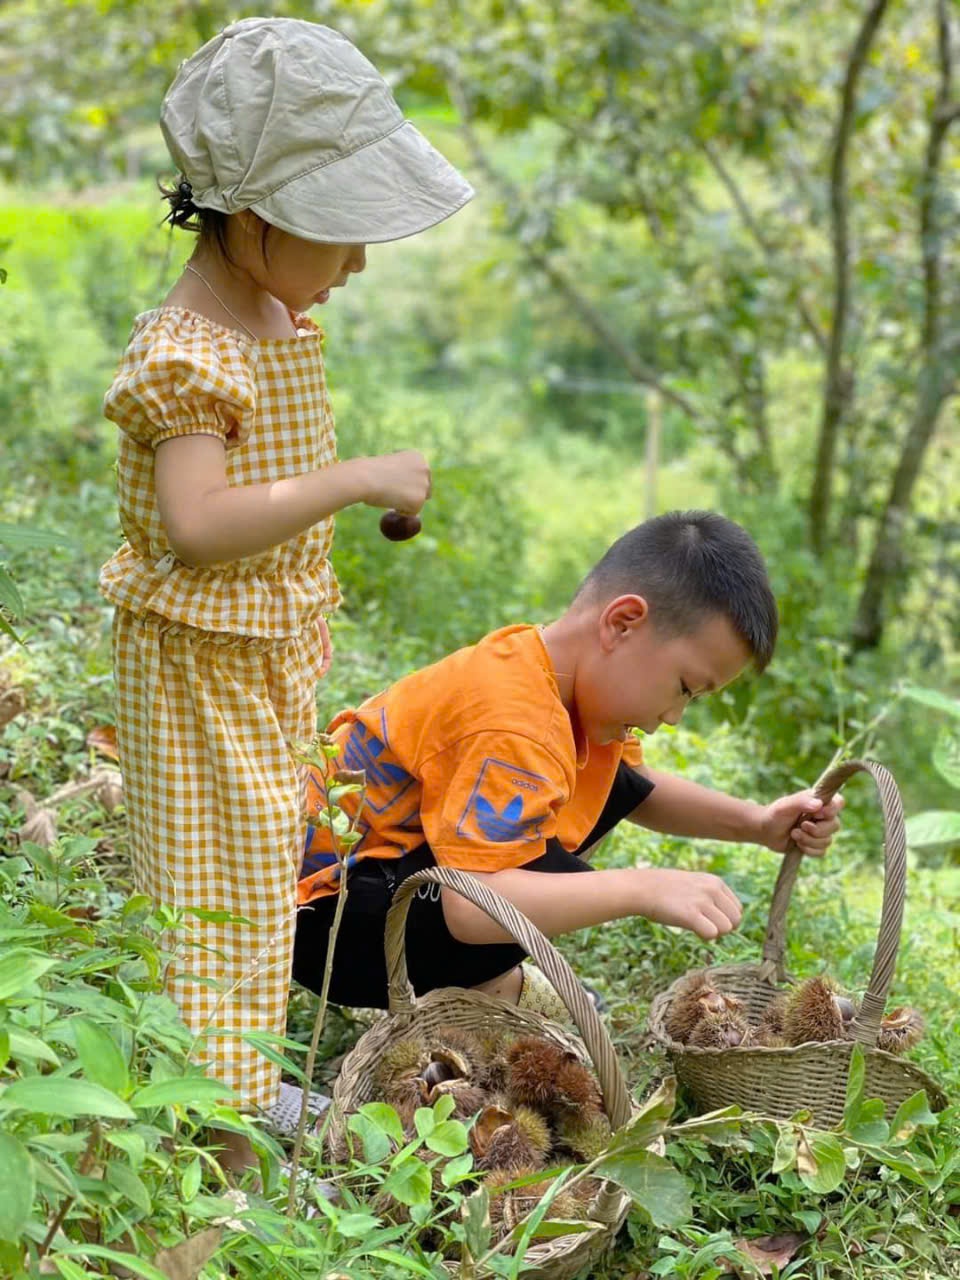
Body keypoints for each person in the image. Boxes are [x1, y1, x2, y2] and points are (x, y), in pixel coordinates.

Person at [98, 17, 473, 1169]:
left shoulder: (271, 311)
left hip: (261, 657)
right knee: (212, 885)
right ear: (253, 221)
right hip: (198, 665)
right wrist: (350, 479)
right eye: (341, 234)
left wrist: (340, 501)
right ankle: (206, 1114)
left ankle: (239, 1074)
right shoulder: (189, 351)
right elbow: (200, 523)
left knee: (262, 870)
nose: (357, 262)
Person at [293, 511, 844, 1017]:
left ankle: (489, 986)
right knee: (556, 879)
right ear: (623, 622)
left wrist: (756, 823)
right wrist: (642, 889)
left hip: (379, 883)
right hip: (331, 922)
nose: (674, 715)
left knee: (591, 810)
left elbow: (636, 787)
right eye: (683, 688)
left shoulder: (554, 674)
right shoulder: (512, 717)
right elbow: (468, 908)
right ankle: (479, 995)